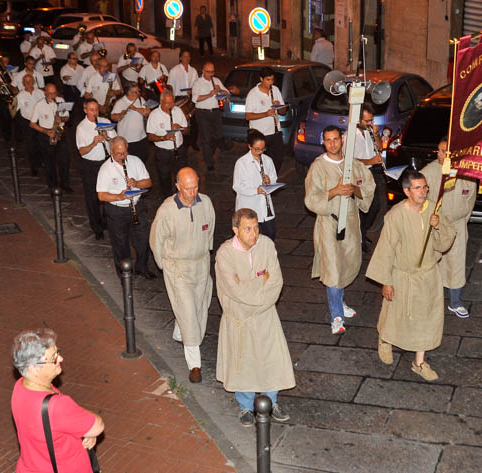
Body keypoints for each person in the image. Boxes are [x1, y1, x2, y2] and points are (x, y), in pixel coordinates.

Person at [365, 170, 455, 382]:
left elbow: (444, 243)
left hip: (428, 275)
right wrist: (386, 281)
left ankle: (419, 363)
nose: (423, 192)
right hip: (402, 275)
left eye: (425, 187)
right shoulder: (395, 216)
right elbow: (386, 249)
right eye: (418, 188)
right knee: (394, 313)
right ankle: (385, 339)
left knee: (426, 318)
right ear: (406, 191)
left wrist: (438, 226)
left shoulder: (433, 209)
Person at [216, 208, 294, 427]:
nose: (254, 234)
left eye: (256, 228)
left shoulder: (266, 245)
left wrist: (253, 294)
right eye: (248, 229)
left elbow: (276, 282)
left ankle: (272, 402)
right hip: (238, 319)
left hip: (265, 315)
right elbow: (234, 290)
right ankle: (246, 406)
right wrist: (261, 281)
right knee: (243, 363)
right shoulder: (225, 254)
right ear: (235, 230)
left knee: (271, 360)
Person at [305, 125, 374, 335]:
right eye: (328, 140)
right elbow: (311, 198)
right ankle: (336, 316)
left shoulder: (353, 164)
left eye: (335, 139)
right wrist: (334, 191)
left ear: (342, 141)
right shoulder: (318, 167)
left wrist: (355, 190)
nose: (332, 143)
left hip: (350, 223)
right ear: (323, 142)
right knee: (332, 270)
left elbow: (369, 186)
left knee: (346, 264)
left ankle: (340, 302)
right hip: (328, 224)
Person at [150, 168, 215, 383]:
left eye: (195, 187)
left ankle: (180, 333)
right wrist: (164, 266)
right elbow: (156, 240)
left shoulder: (206, 203)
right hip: (178, 267)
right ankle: (194, 364)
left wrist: (206, 251)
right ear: (178, 187)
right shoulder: (167, 210)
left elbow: (210, 229)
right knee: (188, 311)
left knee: (199, 306)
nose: (192, 192)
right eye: (187, 189)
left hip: (201, 265)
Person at [10, 329, 105, 473]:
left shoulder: (21, 386)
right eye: (53, 358)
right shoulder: (56, 405)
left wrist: (83, 428)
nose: (60, 359)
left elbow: (53, 426)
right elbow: (98, 425)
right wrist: (86, 427)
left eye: (58, 352)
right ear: (34, 369)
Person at [420, 139, 477, 319]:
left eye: (443, 151)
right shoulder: (428, 172)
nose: (439, 154)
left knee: (456, 263)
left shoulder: (466, 173)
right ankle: (428, 300)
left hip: (457, 225)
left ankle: (455, 302)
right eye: (438, 150)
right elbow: (418, 198)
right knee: (431, 263)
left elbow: (470, 200)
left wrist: (461, 221)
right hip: (434, 225)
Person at [96, 137, 156, 278]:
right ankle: (125, 275)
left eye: (125, 152)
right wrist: (119, 196)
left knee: (143, 240)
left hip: (137, 207)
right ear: (111, 152)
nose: (123, 156)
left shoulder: (135, 161)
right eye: (119, 154)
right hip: (117, 211)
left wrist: (137, 183)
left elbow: (148, 182)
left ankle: (142, 267)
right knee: (121, 245)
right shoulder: (105, 169)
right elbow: (101, 195)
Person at [76, 99, 116, 239]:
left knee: (108, 193)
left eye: (96, 110)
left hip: (106, 162)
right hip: (90, 165)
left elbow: (116, 141)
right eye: (91, 110)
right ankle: (97, 228)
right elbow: (82, 151)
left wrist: (107, 137)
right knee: (92, 198)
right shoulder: (81, 128)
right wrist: (93, 143)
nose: (95, 113)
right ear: (85, 110)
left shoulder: (105, 121)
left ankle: (106, 222)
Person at [233, 130, 279, 241]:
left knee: (270, 234)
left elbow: (274, 177)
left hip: (265, 206)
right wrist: (256, 190)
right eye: (257, 149)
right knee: (249, 238)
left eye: (263, 149)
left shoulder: (268, 160)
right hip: (249, 205)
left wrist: (270, 181)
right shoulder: (241, 163)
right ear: (249, 146)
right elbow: (237, 186)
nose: (260, 152)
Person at [353, 103, 386, 249]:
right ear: (358, 119)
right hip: (359, 174)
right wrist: (369, 161)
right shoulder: (350, 136)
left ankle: (362, 233)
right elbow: (350, 160)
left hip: (371, 172)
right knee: (364, 207)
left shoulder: (368, 131)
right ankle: (358, 236)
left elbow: (380, 147)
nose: (370, 123)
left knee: (375, 206)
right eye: (367, 121)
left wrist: (376, 134)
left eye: (371, 120)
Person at [146, 90, 189, 196]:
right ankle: (167, 198)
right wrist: (164, 137)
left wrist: (180, 127)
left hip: (179, 149)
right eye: (167, 103)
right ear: (161, 102)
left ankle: (181, 196)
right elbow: (150, 137)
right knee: (164, 177)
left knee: (181, 175)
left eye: (172, 102)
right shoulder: (154, 115)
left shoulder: (178, 110)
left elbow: (187, 131)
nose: (171, 106)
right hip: (163, 152)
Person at [30, 83, 72, 192]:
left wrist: (62, 119)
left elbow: (67, 117)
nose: (53, 96)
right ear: (45, 93)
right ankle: (53, 185)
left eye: (54, 93)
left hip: (60, 132)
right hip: (46, 134)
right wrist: (46, 131)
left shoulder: (61, 101)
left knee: (65, 160)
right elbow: (32, 124)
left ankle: (65, 184)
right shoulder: (39, 105)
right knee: (49, 162)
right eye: (50, 94)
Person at [244, 68, 288, 172]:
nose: (271, 82)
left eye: (272, 79)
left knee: (278, 159)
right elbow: (248, 116)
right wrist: (266, 114)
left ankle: (272, 178)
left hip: (276, 132)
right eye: (268, 80)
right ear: (261, 79)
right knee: (260, 162)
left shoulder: (275, 90)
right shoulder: (253, 93)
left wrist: (280, 106)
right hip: (260, 134)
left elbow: (283, 112)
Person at [191, 61, 227, 172]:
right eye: (208, 72)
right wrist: (210, 94)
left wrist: (220, 90)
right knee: (206, 138)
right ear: (203, 71)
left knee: (218, 136)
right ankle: (209, 162)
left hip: (215, 112)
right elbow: (195, 99)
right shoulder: (197, 83)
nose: (210, 74)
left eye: (212, 72)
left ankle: (209, 154)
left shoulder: (216, 81)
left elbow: (226, 92)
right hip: (202, 112)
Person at [110, 82, 152, 162]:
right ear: (129, 92)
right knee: (128, 162)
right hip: (127, 140)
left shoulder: (140, 99)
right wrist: (120, 114)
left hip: (141, 138)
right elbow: (113, 117)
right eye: (135, 92)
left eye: (138, 91)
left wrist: (135, 109)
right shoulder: (120, 102)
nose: (138, 93)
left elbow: (147, 112)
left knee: (142, 160)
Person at [15, 74, 44, 174]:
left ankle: (42, 162)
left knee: (41, 143)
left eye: (30, 81)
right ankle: (34, 167)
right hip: (27, 123)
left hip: (40, 122)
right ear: (23, 83)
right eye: (26, 81)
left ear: (33, 82)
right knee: (31, 145)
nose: (28, 83)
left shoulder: (40, 93)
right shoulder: (20, 96)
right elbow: (14, 110)